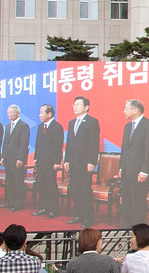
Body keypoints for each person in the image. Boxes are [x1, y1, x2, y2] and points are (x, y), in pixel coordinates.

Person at [62, 95, 103, 225]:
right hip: (73, 163)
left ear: (86, 107)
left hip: (85, 163)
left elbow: (94, 143)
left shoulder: (92, 121)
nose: (75, 107)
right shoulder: (71, 122)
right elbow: (69, 143)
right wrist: (67, 160)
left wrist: (92, 162)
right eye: (74, 104)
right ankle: (78, 215)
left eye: (78, 104)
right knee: (75, 189)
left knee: (85, 190)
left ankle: (88, 218)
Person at [117, 99, 149, 227]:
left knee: (138, 202)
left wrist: (144, 170)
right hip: (126, 171)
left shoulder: (148, 125)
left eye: (126, 108)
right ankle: (128, 228)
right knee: (127, 201)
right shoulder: (127, 126)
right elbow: (124, 149)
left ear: (135, 110)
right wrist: (121, 168)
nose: (124, 111)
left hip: (140, 172)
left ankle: (139, 231)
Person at [32, 103, 64, 216]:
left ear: (49, 113)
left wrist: (57, 162)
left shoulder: (57, 127)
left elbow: (58, 146)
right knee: (41, 185)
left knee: (51, 186)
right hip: (40, 161)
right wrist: (36, 157)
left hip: (51, 163)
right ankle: (43, 208)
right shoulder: (41, 126)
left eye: (42, 112)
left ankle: (53, 209)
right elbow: (38, 143)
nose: (39, 115)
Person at [0, 103, 31, 209]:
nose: (9, 114)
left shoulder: (23, 125)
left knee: (18, 181)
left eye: (11, 112)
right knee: (9, 181)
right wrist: (3, 156)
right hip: (8, 158)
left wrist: (20, 159)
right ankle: (11, 200)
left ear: (17, 113)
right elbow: (5, 143)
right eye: (8, 112)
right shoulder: (8, 126)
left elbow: (24, 144)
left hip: (17, 159)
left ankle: (19, 203)